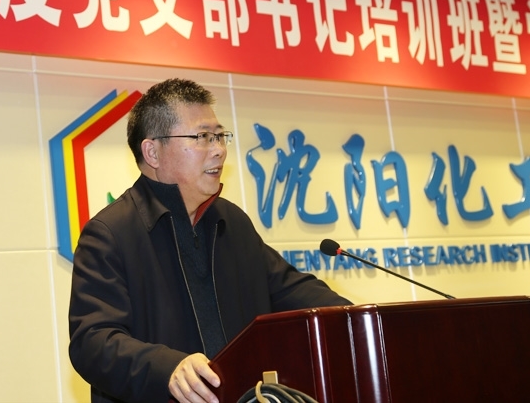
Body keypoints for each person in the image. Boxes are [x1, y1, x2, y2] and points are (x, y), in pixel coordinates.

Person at [69, 78, 351, 403]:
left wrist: (356, 318)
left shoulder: (231, 222)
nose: (219, 149)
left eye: (219, 136)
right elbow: (93, 342)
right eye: (202, 137)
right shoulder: (111, 233)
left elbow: (290, 290)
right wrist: (168, 368)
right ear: (153, 152)